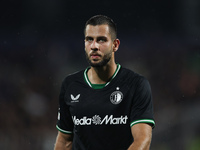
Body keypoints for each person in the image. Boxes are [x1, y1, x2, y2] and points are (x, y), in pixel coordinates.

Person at [54, 15, 155, 150]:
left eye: (101, 40)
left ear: (115, 45)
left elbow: (142, 140)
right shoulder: (70, 85)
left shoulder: (136, 84)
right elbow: (64, 141)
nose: (94, 46)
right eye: (89, 40)